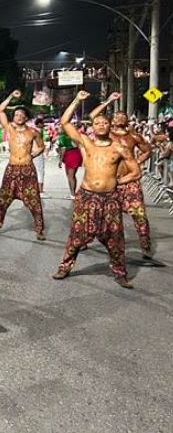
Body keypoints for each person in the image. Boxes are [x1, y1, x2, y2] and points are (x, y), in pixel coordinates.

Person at [52, 91, 141, 288]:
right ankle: (64, 267)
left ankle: (119, 272)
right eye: (97, 123)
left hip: (110, 199)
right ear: (92, 127)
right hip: (86, 196)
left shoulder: (119, 148)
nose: (101, 125)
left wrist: (118, 182)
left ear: (109, 126)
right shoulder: (86, 143)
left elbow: (136, 172)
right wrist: (77, 100)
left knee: (115, 238)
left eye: (104, 123)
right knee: (77, 235)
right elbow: (65, 122)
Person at [89, 92, 156, 260]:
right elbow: (93, 116)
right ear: (111, 120)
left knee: (139, 215)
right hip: (110, 182)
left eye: (122, 116)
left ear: (127, 120)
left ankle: (145, 247)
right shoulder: (107, 134)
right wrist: (110, 100)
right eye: (116, 115)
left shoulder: (133, 136)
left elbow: (148, 150)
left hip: (130, 182)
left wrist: (138, 161)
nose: (119, 117)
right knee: (97, 214)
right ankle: (85, 240)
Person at [0, 92, 45, 241]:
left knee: (34, 200)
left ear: (26, 118)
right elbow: (0, 110)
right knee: (2, 199)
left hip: (27, 169)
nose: (18, 117)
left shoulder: (33, 132)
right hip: (12, 168)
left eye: (21, 115)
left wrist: (32, 155)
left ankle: (39, 229)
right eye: (16, 115)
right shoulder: (10, 129)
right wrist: (11, 97)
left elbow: (41, 146)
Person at [57, 125, 82, 198]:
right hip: (76, 154)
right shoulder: (74, 135)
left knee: (70, 176)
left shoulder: (62, 137)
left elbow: (63, 149)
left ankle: (73, 194)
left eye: (60, 127)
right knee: (72, 176)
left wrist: (60, 160)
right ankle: (72, 193)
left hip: (70, 155)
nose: (58, 129)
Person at [32, 119, 48, 197]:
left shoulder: (33, 130)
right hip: (37, 153)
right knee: (40, 171)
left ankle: (37, 188)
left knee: (36, 171)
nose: (43, 125)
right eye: (42, 123)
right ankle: (40, 190)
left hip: (33, 153)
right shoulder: (38, 131)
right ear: (39, 124)